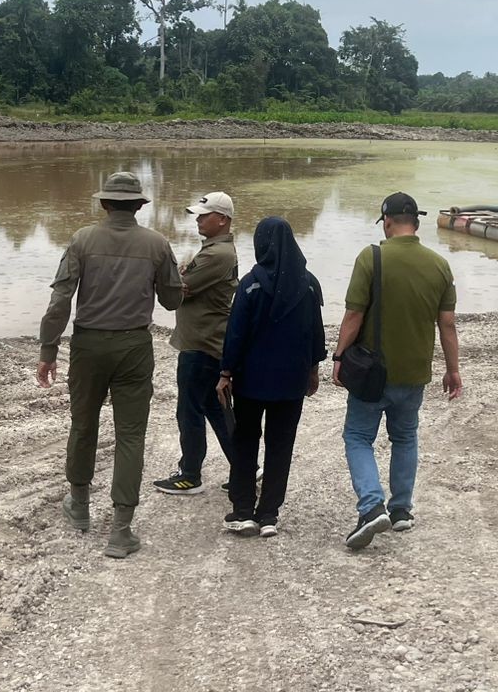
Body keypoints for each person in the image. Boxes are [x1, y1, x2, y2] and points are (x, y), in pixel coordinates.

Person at [36, 171, 182, 559]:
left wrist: (48, 349)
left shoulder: (82, 240)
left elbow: (59, 301)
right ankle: (121, 529)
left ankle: (80, 506)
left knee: (83, 425)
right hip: (134, 345)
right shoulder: (157, 244)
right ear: (138, 205)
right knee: (130, 435)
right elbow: (172, 301)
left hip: (88, 344)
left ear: (104, 204)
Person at [333, 192, 462, 551]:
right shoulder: (439, 265)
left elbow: (354, 316)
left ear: (387, 221)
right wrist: (453, 370)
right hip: (415, 374)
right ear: (416, 222)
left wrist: (339, 357)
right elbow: (447, 325)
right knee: (405, 437)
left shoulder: (371, 257)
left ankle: (372, 505)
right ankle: (401, 509)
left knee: (358, 437)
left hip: (372, 374)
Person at [216, 217, 326, 538]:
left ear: (262, 244)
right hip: (291, 382)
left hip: (251, 381)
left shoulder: (250, 284)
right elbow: (315, 334)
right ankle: (268, 516)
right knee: (281, 446)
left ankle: (243, 511)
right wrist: (313, 370)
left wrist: (225, 372)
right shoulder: (309, 284)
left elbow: (235, 334)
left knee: (246, 441)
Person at [153, 191, 239, 497]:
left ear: (222, 220)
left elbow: (178, 289)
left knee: (189, 411)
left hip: (202, 344)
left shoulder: (216, 255)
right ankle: (243, 466)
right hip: (206, 341)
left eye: (204, 215)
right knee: (212, 407)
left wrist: (172, 274)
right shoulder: (214, 251)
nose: (198, 220)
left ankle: (190, 475)